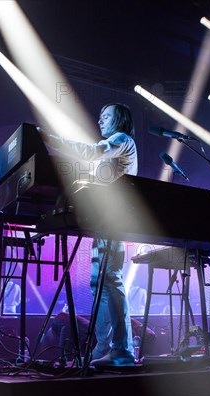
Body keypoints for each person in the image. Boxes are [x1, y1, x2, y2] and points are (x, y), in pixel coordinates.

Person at [39, 103, 137, 368]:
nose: (100, 120)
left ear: (121, 119)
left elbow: (93, 152)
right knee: (100, 284)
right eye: (100, 115)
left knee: (110, 280)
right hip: (104, 221)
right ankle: (106, 347)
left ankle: (122, 350)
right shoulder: (114, 149)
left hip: (115, 219)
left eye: (106, 116)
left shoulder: (121, 139)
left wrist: (52, 140)